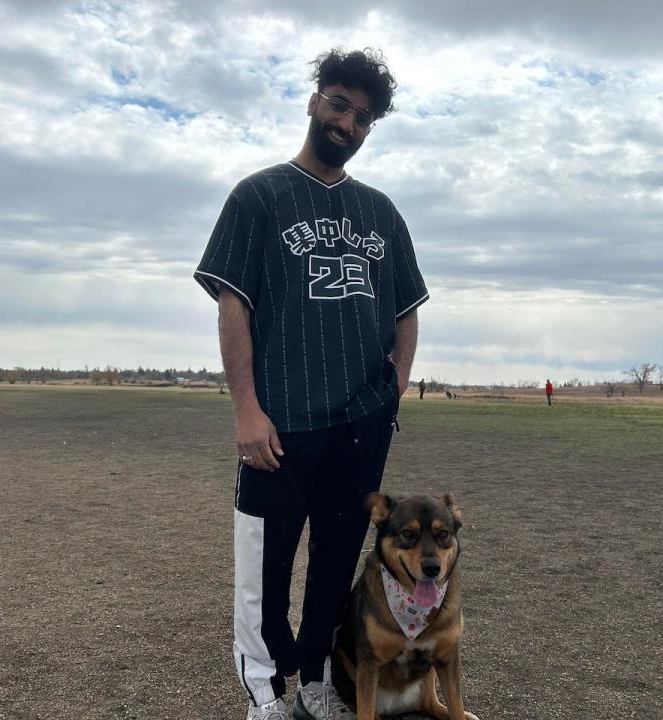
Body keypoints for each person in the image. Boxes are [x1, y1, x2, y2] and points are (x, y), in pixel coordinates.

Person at [194, 49, 427, 720]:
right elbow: (232, 302)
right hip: (280, 421)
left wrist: (397, 384)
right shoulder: (259, 196)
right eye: (338, 104)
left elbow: (407, 306)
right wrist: (246, 411)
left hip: (359, 425)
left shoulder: (381, 213)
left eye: (363, 116)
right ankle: (265, 694)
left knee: (335, 561)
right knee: (264, 568)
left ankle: (319, 678)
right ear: (313, 101)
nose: (347, 123)